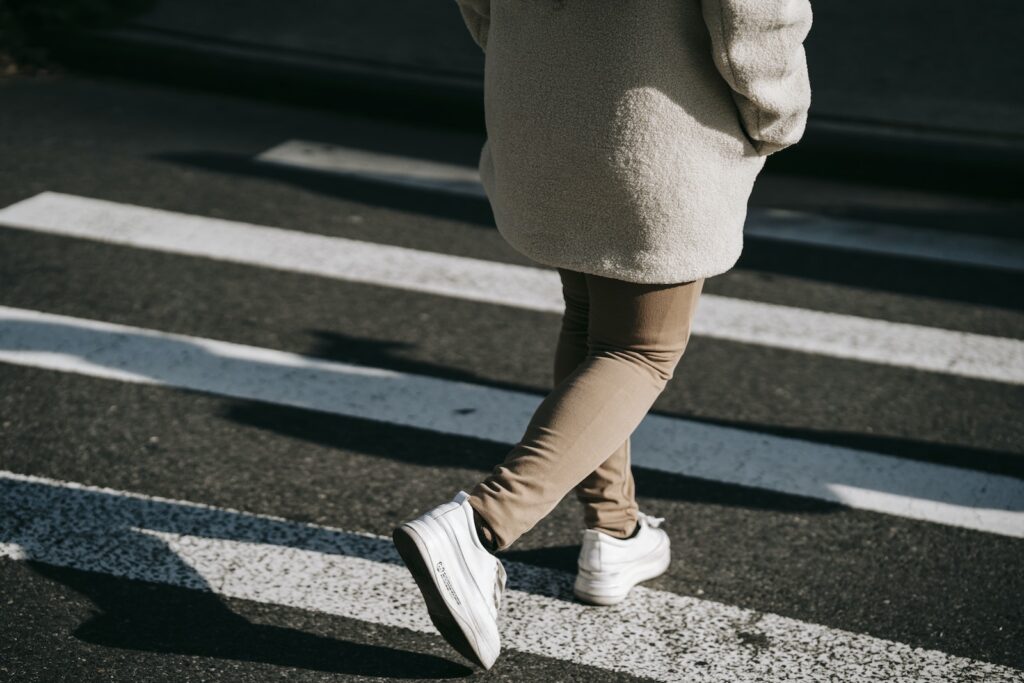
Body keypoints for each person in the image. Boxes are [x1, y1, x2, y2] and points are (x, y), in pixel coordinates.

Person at [393, 0, 813, 670]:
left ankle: (613, 531)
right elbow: (754, 13)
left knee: (594, 323)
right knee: (641, 349)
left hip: (540, 100)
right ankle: (482, 523)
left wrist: (522, 53)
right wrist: (777, 111)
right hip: (659, 119)